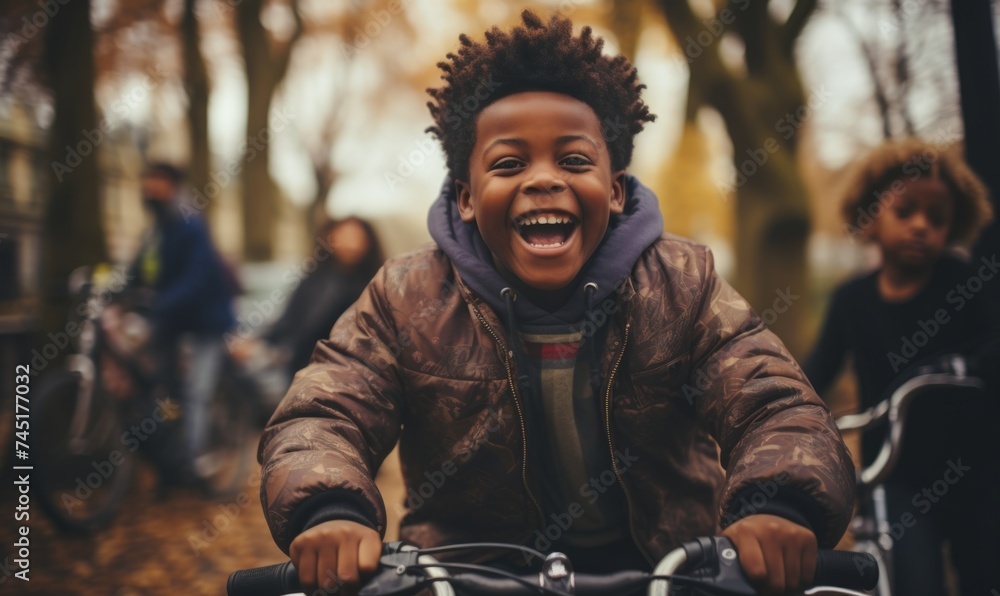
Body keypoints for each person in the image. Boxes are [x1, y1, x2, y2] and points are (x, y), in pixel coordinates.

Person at [258, 11, 855, 595]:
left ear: (616, 190)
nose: (544, 179)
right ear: (465, 198)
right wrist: (330, 507)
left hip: (663, 564)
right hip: (473, 570)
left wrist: (776, 501)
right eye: (509, 163)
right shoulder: (404, 296)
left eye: (573, 160)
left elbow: (773, 401)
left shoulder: (682, 283)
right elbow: (323, 412)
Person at [803, 139, 999, 595]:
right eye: (905, 211)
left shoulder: (965, 283)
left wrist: (969, 363)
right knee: (911, 578)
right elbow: (813, 375)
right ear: (869, 218)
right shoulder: (852, 300)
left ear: (952, 229)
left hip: (977, 468)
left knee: (985, 575)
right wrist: (790, 412)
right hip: (896, 474)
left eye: (936, 218)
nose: (920, 226)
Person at [132, 162, 237, 484]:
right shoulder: (155, 230)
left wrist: (161, 302)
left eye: (157, 180)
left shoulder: (190, 222)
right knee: (155, 384)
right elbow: (138, 270)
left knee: (197, 392)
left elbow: (199, 275)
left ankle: (195, 463)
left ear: (174, 186)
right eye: (147, 179)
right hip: (174, 322)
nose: (150, 187)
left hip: (206, 323)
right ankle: (168, 457)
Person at [262, 217, 385, 380]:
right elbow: (291, 320)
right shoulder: (314, 280)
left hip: (358, 374)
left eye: (357, 237)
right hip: (307, 369)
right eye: (344, 236)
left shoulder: (377, 283)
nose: (351, 243)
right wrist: (263, 341)